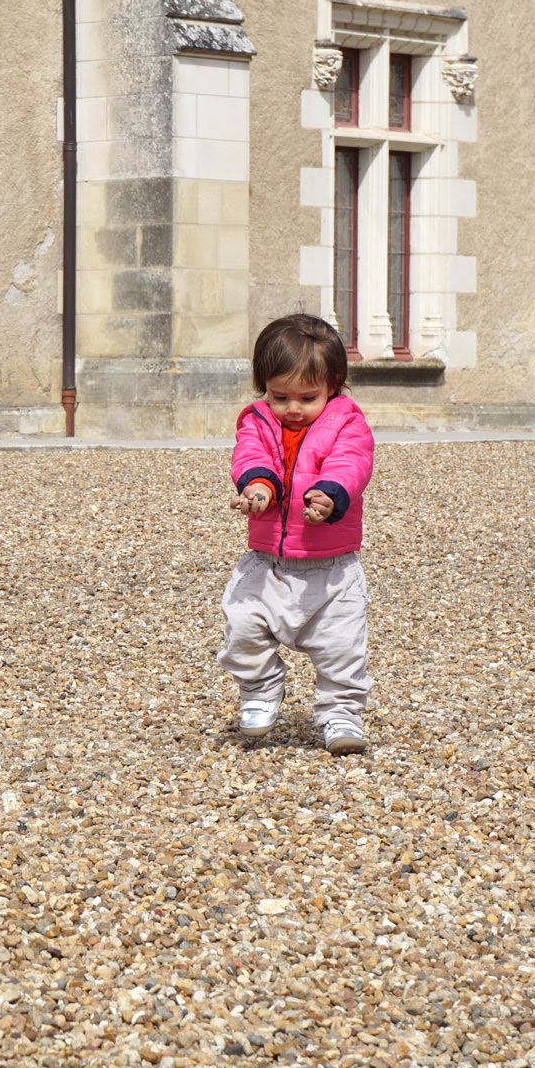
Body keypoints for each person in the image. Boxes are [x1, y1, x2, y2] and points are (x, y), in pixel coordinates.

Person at [218, 313, 375, 755]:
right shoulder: (256, 420)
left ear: (333, 385)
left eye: (307, 397)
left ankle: (341, 713)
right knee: (242, 628)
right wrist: (258, 488)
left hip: (332, 567)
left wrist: (330, 494)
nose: (293, 408)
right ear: (263, 387)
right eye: (279, 396)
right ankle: (260, 687)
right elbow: (250, 455)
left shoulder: (347, 423)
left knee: (342, 647)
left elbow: (351, 462)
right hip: (267, 563)